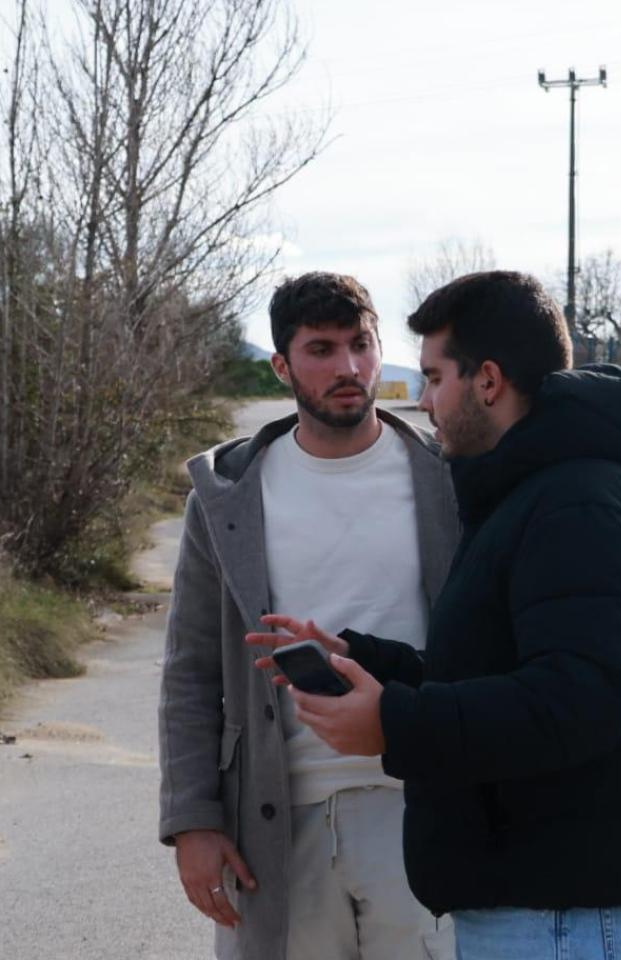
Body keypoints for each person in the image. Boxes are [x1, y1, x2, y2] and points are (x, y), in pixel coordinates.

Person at [250, 271, 621, 960]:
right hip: (545, 903)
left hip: (569, 915)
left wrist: (394, 722)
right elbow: (505, 671)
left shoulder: (576, 502)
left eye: (436, 378)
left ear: (487, 381)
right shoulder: (532, 493)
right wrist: (367, 659)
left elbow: (578, 700)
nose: (425, 400)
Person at [159, 272, 460, 960]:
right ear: (281, 366)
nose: (348, 368)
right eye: (321, 349)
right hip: (274, 816)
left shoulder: (447, 478)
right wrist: (192, 821)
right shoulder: (227, 495)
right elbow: (190, 671)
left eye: (361, 344)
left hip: (420, 804)